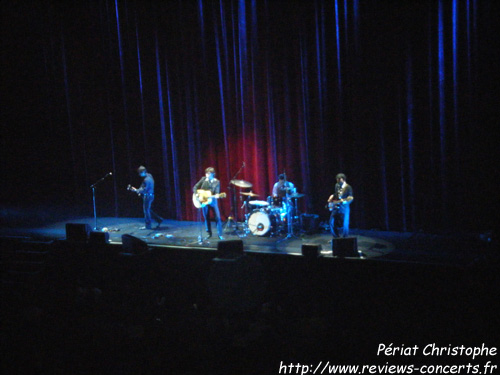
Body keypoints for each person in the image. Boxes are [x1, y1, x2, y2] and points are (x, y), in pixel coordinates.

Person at [193, 167, 224, 240]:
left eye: (208, 173)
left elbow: (217, 192)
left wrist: (217, 195)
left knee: (217, 217)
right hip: (204, 201)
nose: (206, 174)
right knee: (206, 217)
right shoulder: (203, 179)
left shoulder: (216, 182)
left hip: (213, 201)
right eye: (206, 173)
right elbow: (195, 187)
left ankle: (220, 234)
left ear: (213, 174)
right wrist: (197, 194)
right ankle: (208, 233)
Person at [328, 173, 353, 237]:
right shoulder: (337, 185)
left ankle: (345, 238)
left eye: (339, 179)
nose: (337, 180)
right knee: (331, 222)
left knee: (345, 223)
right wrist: (332, 196)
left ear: (343, 179)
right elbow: (336, 194)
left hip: (344, 206)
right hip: (336, 206)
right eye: (337, 179)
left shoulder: (348, 187)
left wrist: (344, 201)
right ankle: (336, 237)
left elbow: (351, 198)